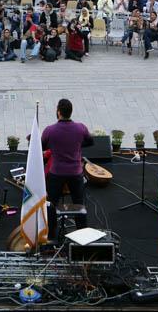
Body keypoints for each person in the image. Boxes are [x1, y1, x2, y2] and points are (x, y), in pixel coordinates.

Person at [41, 99, 93, 242]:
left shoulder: (50, 130)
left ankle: (51, 236)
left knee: (52, 203)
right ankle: (82, 236)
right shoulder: (81, 128)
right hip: (75, 173)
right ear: (71, 112)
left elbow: (41, 146)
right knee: (79, 203)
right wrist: (77, 146)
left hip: (56, 172)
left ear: (58, 112)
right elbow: (90, 141)